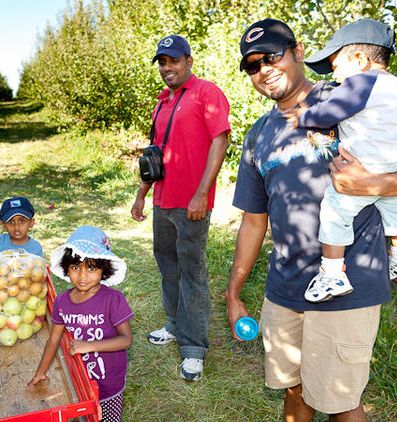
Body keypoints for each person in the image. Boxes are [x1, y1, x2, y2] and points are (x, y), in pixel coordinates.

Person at [225, 19, 397, 420]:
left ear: (299, 52)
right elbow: (254, 221)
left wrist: (378, 182)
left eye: (272, 56)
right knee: (294, 390)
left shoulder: (353, 95)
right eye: (252, 65)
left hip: (347, 285)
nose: (263, 69)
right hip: (284, 287)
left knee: (340, 404)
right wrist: (234, 292)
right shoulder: (258, 135)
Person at [281, 18, 397, 303]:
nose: (335, 77)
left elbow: (331, 111)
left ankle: (332, 274)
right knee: (393, 206)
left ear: (360, 60)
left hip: (367, 164)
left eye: (336, 66)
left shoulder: (361, 82)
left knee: (334, 210)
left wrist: (303, 117)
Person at [131, 34, 230, 381]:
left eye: (173, 60)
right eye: (162, 62)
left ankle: (194, 349)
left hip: (192, 204)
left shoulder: (207, 93)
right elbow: (155, 155)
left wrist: (202, 193)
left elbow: (221, 139)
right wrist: (143, 193)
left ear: (188, 61)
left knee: (193, 273)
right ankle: (174, 324)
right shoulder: (163, 102)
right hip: (162, 201)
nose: (167, 67)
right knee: (168, 268)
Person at [28, 225, 133, 422]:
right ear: (67, 267)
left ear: (103, 270)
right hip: (82, 377)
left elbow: (126, 339)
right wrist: (40, 372)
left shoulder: (113, 299)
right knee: (86, 415)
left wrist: (89, 345)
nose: (83, 276)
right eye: (76, 267)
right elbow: (53, 341)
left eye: (91, 268)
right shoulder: (62, 301)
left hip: (109, 381)